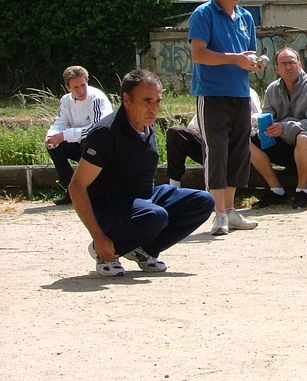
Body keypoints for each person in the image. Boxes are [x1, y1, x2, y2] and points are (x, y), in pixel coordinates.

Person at [68, 70, 215, 277]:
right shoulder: (106, 133)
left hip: (142, 198)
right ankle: (105, 251)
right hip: (109, 206)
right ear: (127, 100)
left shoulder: (146, 125)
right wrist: (98, 235)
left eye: (157, 101)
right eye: (147, 100)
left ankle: (143, 250)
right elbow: (76, 186)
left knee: (203, 200)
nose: (153, 108)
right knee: (155, 216)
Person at [188, 0, 263, 235]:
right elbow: (199, 54)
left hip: (240, 94)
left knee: (239, 152)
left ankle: (230, 210)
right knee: (216, 151)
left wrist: (253, 64)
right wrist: (235, 59)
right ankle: (217, 212)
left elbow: (249, 53)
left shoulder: (245, 17)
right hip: (212, 93)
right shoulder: (202, 14)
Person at [250, 47, 307, 209]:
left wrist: (284, 127)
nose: (288, 67)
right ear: (277, 68)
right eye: (283, 64)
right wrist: (266, 129)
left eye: (292, 62)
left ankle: (302, 191)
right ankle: (276, 190)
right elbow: (267, 118)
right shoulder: (272, 89)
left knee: (303, 137)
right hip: (290, 146)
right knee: (248, 141)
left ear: (300, 64)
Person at [44, 65, 113, 205]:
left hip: (102, 148)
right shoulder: (65, 100)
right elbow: (60, 121)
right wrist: (51, 136)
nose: (81, 91)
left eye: (84, 85)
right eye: (76, 87)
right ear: (68, 88)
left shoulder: (96, 98)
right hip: (80, 142)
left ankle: (91, 191)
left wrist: (64, 136)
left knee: (88, 141)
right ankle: (71, 190)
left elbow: (97, 129)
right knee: (54, 146)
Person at [166, 89, 262, 187]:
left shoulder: (246, 92)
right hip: (207, 141)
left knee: (220, 142)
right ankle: (174, 186)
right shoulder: (210, 89)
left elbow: (255, 119)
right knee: (175, 133)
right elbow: (194, 125)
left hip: (232, 146)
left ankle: (224, 191)